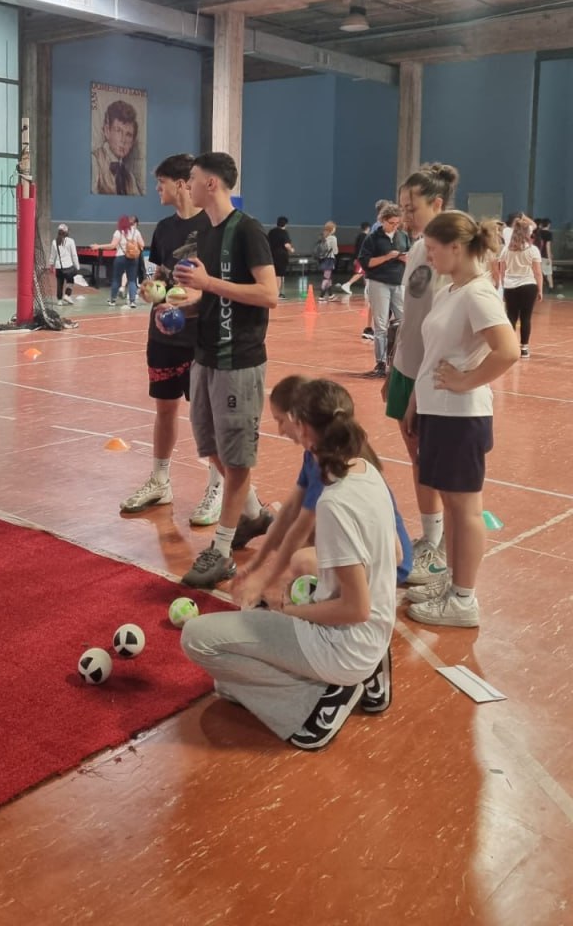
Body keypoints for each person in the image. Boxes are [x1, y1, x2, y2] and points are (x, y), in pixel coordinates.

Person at [181, 377, 398, 751]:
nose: (282, 430)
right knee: (229, 683)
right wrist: (264, 575)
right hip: (370, 637)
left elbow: (355, 608)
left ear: (302, 426)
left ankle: (316, 702)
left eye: (285, 421)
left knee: (197, 639)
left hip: (345, 647)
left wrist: (291, 612)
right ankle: (328, 681)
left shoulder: (335, 503)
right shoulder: (365, 469)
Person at [164, 152, 278, 588]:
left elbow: (268, 294)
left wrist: (208, 283)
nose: (187, 185)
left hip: (239, 361)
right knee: (212, 449)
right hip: (205, 357)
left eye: (192, 178)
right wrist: (182, 309)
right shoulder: (206, 235)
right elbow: (212, 297)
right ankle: (254, 514)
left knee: (236, 458)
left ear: (210, 183)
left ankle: (223, 550)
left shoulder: (248, 230)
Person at [403, 212, 519, 628]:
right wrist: (416, 399)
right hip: (438, 411)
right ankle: (452, 582)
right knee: (452, 506)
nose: (428, 257)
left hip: (460, 416)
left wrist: (466, 381)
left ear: (456, 247)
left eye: (433, 249)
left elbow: (507, 350)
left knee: (465, 508)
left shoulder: (478, 293)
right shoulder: (450, 289)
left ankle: (464, 599)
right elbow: (434, 354)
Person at [233, 375, 411, 611]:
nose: (280, 431)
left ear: (298, 421)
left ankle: (345, 598)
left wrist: (264, 580)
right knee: (286, 535)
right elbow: (289, 512)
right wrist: (255, 565)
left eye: (280, 421)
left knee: (301, 560)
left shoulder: (331, 465)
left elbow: (301, 527)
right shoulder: (316, 453)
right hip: (374, 548)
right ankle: (338, 592)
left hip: (388, 560)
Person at [120, 153, 223, 518]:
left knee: (206, 415)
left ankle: (217, 487)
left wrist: (194, 297)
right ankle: (160, 481)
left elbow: (217, 283)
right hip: (162, 335)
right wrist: (152, 289)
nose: (157, 189)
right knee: (164, 408)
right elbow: (161, 275)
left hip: (200, 337)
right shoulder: (163, 228)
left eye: (161, 183)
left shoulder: (213, 227)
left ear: (181, 183)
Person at [385, 163, 459, 591]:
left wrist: (421, 387)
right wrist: (393, 367)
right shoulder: (416, 249)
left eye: (412, 208)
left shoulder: (451, 256)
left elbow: (447, 330)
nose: (405, 215)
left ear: (438, 203)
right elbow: (410, 316)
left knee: (436, 463)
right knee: (417, 459)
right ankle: (430, 539)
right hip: (405, 369)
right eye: (403, 207)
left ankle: (442, 549)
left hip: (431, 378)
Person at [357, 203, 409, 376]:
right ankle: (380, 363)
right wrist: (387, 257)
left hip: (399, 282)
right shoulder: (372, 238)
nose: (395, 226)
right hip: (379, 282)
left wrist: (405, 258)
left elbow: (410, 256)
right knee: (381, 324)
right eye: (391, 223)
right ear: (383, 221)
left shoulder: (403, 236)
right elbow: (366, 262)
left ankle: (401, 361)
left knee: (403, 321)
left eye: (397, 223)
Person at [495, 216, 543, 357]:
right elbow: (537, 272)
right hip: (528, 285)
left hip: (510, 286)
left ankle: (509, 347)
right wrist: (540, 289)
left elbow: (502, 271)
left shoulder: (506, 250)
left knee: (511, 316)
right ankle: (524, 348)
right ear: (527, 233)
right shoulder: (533, 250)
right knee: (526, 318)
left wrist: (504, 285)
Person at [92, 100, 143, 197]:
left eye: (128, 135)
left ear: (132, 142)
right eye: (118, 130)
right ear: (107, 131)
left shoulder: (130, 178)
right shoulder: (94, 162)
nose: (123, 140)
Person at [92, 216, 144, 307]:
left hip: (120, 257)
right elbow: (142, 244)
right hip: (133, 258)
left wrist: (98, 246)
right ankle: (132, 302)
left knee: (116, 279)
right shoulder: (136, 232)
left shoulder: (118, 232)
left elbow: (112, 245)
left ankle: (113, 300)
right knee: (132, 280)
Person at [48, 223, 79, 306]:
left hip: (58, 267)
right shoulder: (70, 241)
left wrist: (51, 265)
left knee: (59, 283)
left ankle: (59, 300)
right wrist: (77, 266)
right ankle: (67, 295)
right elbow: (74, 255)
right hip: (68, 266)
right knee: (70, 280)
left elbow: (52, 255)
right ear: (66, 232)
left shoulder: (54, 242)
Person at [338, 221, 370, 295]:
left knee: (365, 273)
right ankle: (347, 284)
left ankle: (367, 288)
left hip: (359, 257)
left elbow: (356, 248)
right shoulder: (365, 237)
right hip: (362, 258)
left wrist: (355, 258)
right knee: (360, 273)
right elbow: (362, 248)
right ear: (368, 228)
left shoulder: (359, 236)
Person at [268, 217, 295, 298]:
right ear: (285, 224)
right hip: (281, 256)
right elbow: (286, 245)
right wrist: (292, 249)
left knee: (272, 274)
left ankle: (271, 291)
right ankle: (277, 293)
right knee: (278, 275)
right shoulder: (284, 232)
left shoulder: (271, 232)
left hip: (271, 255)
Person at [316, 221, 339, 301]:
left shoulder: (323, 237)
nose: (335, 229)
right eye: (334, 228)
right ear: (332, 229)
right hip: (329, 259)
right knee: (326, 278)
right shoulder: (333, 238)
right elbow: (335, 252)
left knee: (328, 278)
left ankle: (331, 295)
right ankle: (321, 296)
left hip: (323, 259)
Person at [533, 217, 554, 291]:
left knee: (537, 272)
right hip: (545, 255)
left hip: (537, 255)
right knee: (548, 272)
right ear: (549, 224)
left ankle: (537, 287)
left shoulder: (538, 232)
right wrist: (549, 257)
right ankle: (551, 287)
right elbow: (547, 246)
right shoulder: (549, 233)